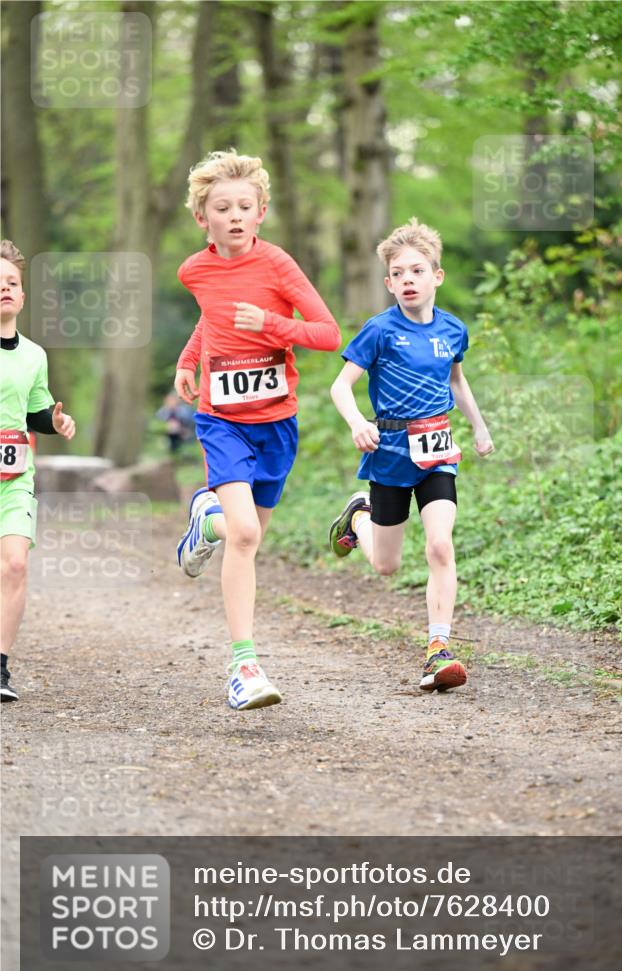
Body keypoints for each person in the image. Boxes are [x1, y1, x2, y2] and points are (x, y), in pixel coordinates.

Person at [173, 150, 340, 710]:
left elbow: (328, 333)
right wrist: (188, 360)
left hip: (276, 424)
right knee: (244, 535)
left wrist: (271, 323)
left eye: (245, 206)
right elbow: (211, 314)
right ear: (203, 217)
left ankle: (206, 522)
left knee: (249, 537)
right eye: (223, 208)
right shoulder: (193, 270)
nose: (235, 216)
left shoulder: (278, 265)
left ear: (261, 212)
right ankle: (243, 666)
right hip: (221, 420)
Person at [328, 218, 494, 694]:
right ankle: (358, 518)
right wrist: (358, 423)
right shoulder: (379, 330)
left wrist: (479, 427)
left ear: (436, 276)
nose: (408, 280)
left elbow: (456, 381)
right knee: (386, 565)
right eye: (398, 274)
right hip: (390, 452)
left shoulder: (453, 329)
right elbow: (340, 386)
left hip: (438, 451)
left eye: (417, 271)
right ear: (388, 283)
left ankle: (438, 649)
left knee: (440, 545)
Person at [0, 240, 76, 703]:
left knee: (14, 564)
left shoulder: (34, 355)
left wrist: (55, 421)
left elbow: (36, 410)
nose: (4, 289)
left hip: (13, 480)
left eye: (12, 282)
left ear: (23, 295)